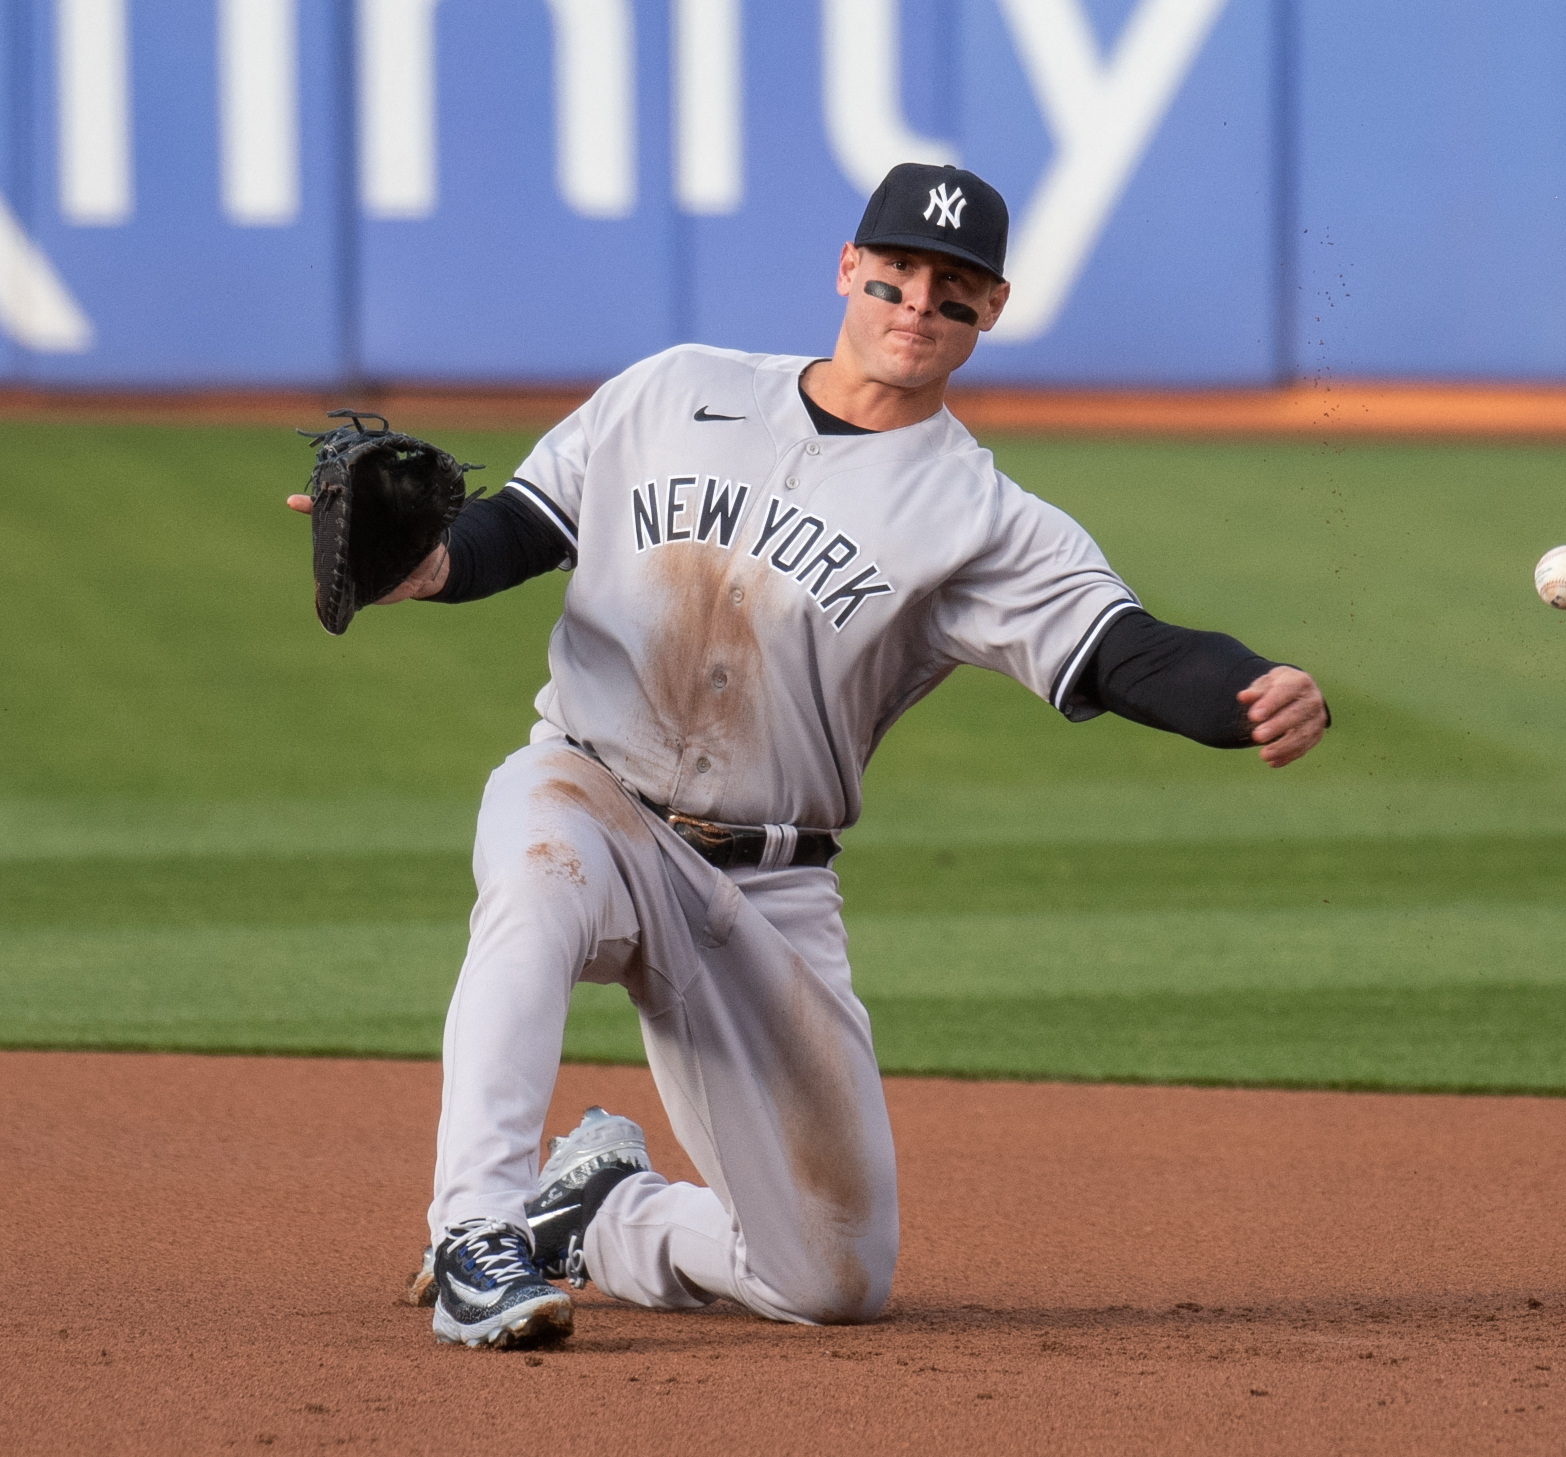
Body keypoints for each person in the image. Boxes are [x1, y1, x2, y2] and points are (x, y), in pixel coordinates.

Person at [295, 163, 1328, 1348]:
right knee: (535, 877)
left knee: (829, 1279)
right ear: (848, 267)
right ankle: (470, 1226)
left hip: (768, 884)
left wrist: (1249, 689)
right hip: (591, 789)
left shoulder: (979, 515)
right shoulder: (671, 391)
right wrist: (414, 565)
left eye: (953, 288)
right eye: (896, 272)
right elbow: (510, 533)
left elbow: (1121, 650)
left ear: (989, 311)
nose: (915, 303)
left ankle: (589, 1216)